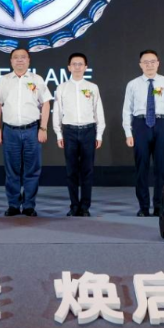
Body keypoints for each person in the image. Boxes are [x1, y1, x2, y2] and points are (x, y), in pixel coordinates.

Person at [0, 48, 51, 217]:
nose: (19, 60)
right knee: (12, 170)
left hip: (32, 130)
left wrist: (43, 127)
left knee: (32, 170)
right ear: (11, 61)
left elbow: (46, 104)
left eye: (23, 57)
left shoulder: (37, 79)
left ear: (28, 60)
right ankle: (13, 205)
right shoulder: (4, 80)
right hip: (10, 131)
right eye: (16, 57)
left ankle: (28, 206)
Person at [122, 50, 164, 217]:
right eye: (145, 62)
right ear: (140, 65)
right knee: (141, 168)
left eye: (152, 61)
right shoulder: (132, 84)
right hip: (140, 125)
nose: (149, 65)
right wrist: (128, 132)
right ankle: (144, 206)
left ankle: (159, 206)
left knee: (161, 168)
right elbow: (127, 110)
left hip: (162, 123)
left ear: (158, 63)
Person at [53, 52, 105, 217]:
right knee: (71, 171)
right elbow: (57, 112)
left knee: (87, 170)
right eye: (74, 64)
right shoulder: (62, 88)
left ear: (85, 67)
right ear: (69, 67)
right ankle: (74, 205)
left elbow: (98, 111)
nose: (77, 67)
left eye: (80, 64)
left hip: (88, 130)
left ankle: (85, 207)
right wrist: (58, 134)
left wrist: (99, 134)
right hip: (69, 131)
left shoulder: (92, 87)